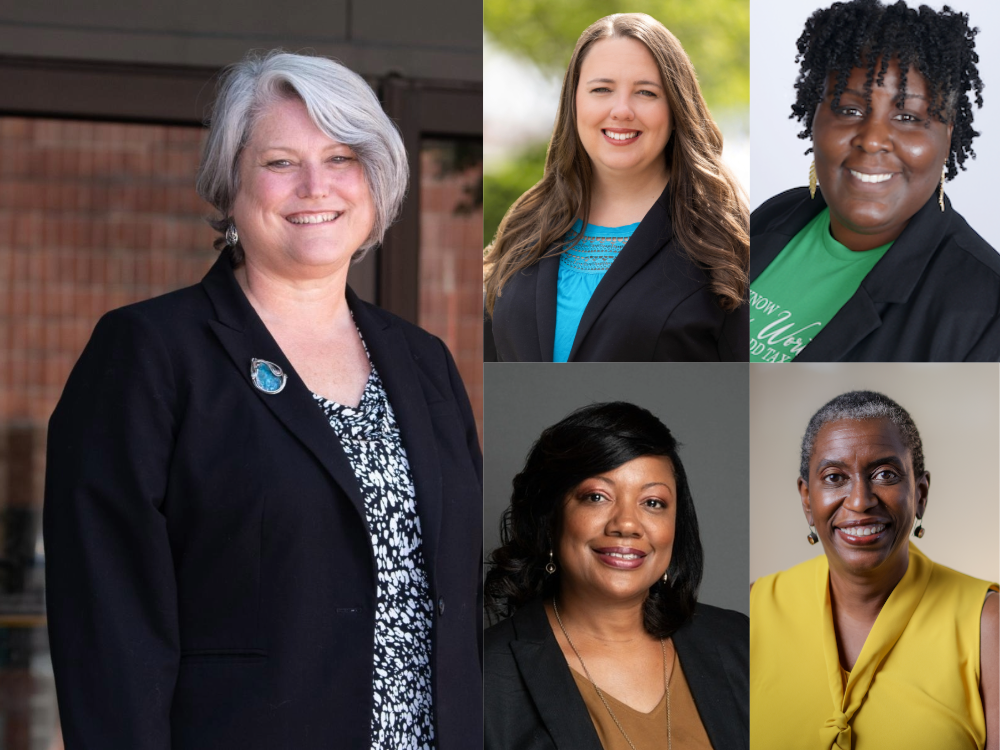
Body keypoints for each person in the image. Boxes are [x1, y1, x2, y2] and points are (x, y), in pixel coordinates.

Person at [42, 51, 482, 749]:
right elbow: (107, 622)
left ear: (376, 181)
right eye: (280, 162)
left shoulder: (423, 362)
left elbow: (467, 599)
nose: (315, 186)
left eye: (341, 158)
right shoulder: (150, 352)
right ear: (231, 187)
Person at [483, 13, 748, 362]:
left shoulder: (725, 244)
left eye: (646, 92)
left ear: (676, 109)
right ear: (574, 102)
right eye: (601, 90)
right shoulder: (526, 228)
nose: (621, 110)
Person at [485, 402, 748, 749]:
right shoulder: (483, 672)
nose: (626, 524)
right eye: (597, 497)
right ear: (551, 519)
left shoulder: (741, 642)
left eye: (652, 502)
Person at [750, 0, 1000, 362]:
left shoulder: (986, 310)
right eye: (849, 110)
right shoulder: (775, 215)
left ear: (947, 138)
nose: (871, 140)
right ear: (814, 120)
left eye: (907, 117)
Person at [750, 391, 999, 749]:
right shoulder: (754, 609)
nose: (860, 501)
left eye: (885, 474)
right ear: (807, 499)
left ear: (921, 494)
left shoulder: (987, 624)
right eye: (834, 477)